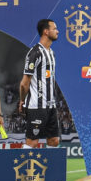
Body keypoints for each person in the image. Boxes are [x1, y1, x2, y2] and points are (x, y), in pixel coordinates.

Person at [19, 19, 60, 149]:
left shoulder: (51, 53)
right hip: (37, 105)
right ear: (46, 32)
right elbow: (24, 83)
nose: (57, 31)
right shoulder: (35, 53)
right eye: (54, 28)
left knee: (54, 140)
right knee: (32, 142)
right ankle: (23, 169)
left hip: (51, 105)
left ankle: (51, 170)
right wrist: (22, 101)